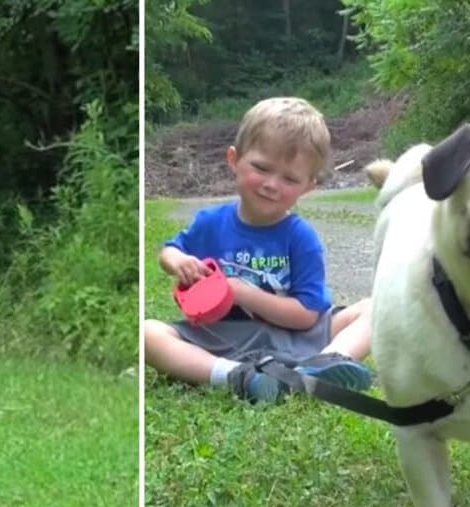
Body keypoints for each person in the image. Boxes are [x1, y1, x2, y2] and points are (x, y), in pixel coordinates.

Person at [143, 97, 373, 404]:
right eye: (261, 168)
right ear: (233, 159)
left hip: (295, 338)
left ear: (308, 187)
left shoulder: (301, 237)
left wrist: (241, 292)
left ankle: (326, 364)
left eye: (289, 178)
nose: (271, 184)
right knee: (148, 333)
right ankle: (238, 376)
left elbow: (307, 316)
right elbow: (169, 251)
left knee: (378, 307)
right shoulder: (211, 222)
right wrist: (179, 261)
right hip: (222, 336)